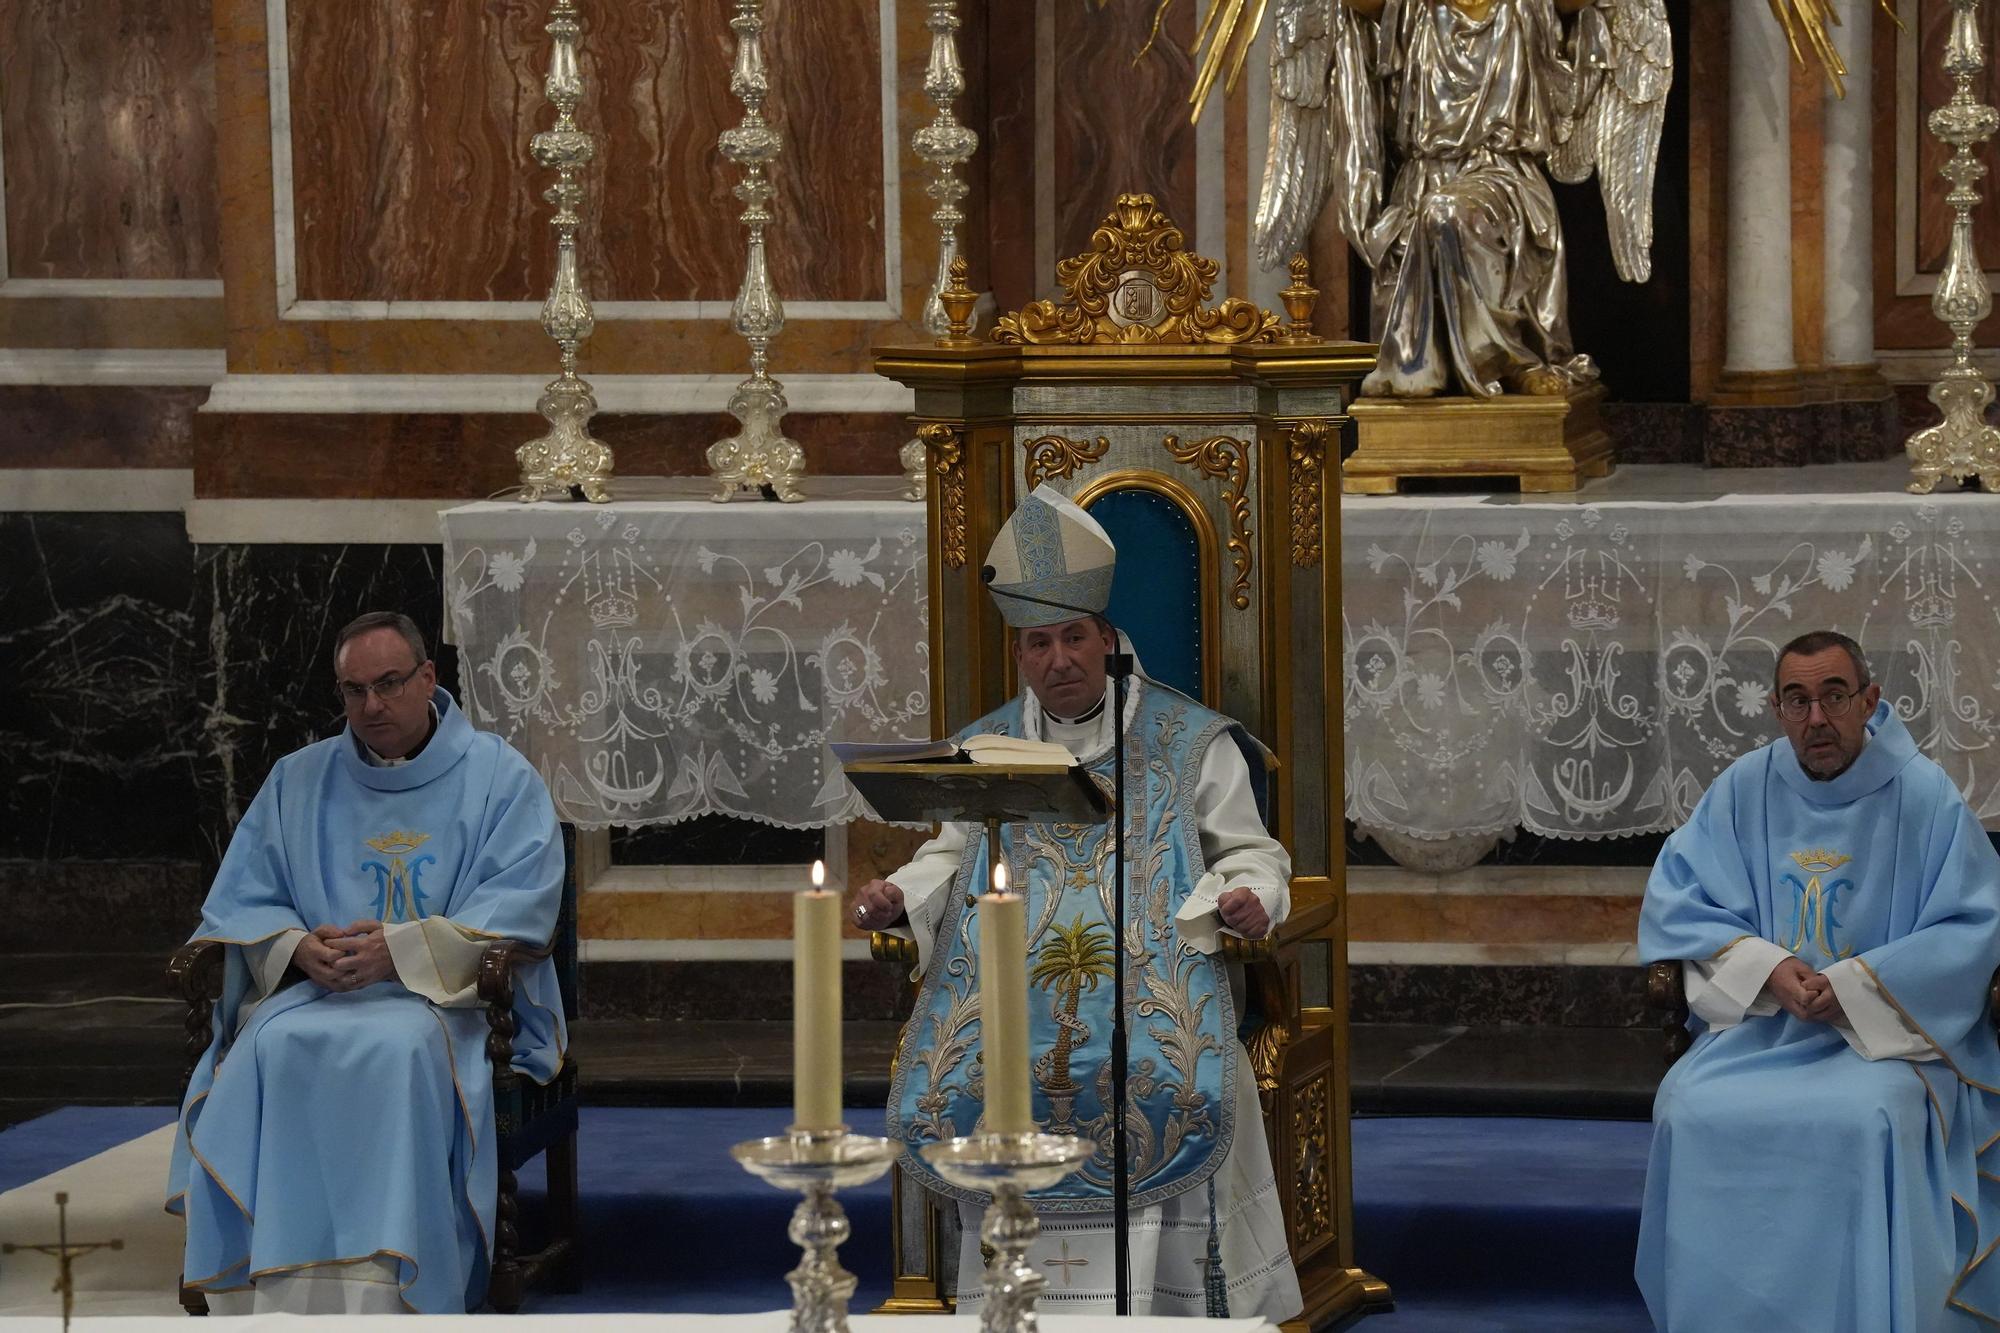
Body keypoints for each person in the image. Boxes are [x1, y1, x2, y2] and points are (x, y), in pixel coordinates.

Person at [861, 485, 1303, 1320]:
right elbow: (949, 852)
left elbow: (1251, 850)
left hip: (1156, 987)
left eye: (1073, 637)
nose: (1058, 659)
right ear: (1019, 654)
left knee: (1176, 1078)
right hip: (1012, 990)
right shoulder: (985, 748)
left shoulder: (1190, 740)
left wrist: (1248, 896)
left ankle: (1173, 1314)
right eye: (1039, 643)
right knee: (972, 1076)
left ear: (1107, 639)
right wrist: (898, 897)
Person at [166, 612, 567, 1313]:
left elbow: (521, 906)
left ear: (428, 677)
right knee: (277, 1043)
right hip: (318, 997)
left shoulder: (502, 778)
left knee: (400, 1048)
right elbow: (240, 902)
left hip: (445, 1006)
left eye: (387, 684)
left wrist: (401, 951)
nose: (371, 706)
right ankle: (286, 1282)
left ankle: (390, 1281)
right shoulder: (299, 780)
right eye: (353, 690)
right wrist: (295, 947)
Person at [1636, 629, 2000, 1330]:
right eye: (1797, 700)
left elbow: (1974, 925)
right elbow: (1677, 900)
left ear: (1870, 700)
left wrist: (1863, 983)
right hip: (1765, 1031)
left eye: (1835, 696)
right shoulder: (1745, 787)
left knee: (1868, 1119)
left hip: (1888, 1046)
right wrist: (1766, 967)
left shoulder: (1923, 796)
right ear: (1775, 707)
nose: (1816, 719)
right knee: (1687, 1105)